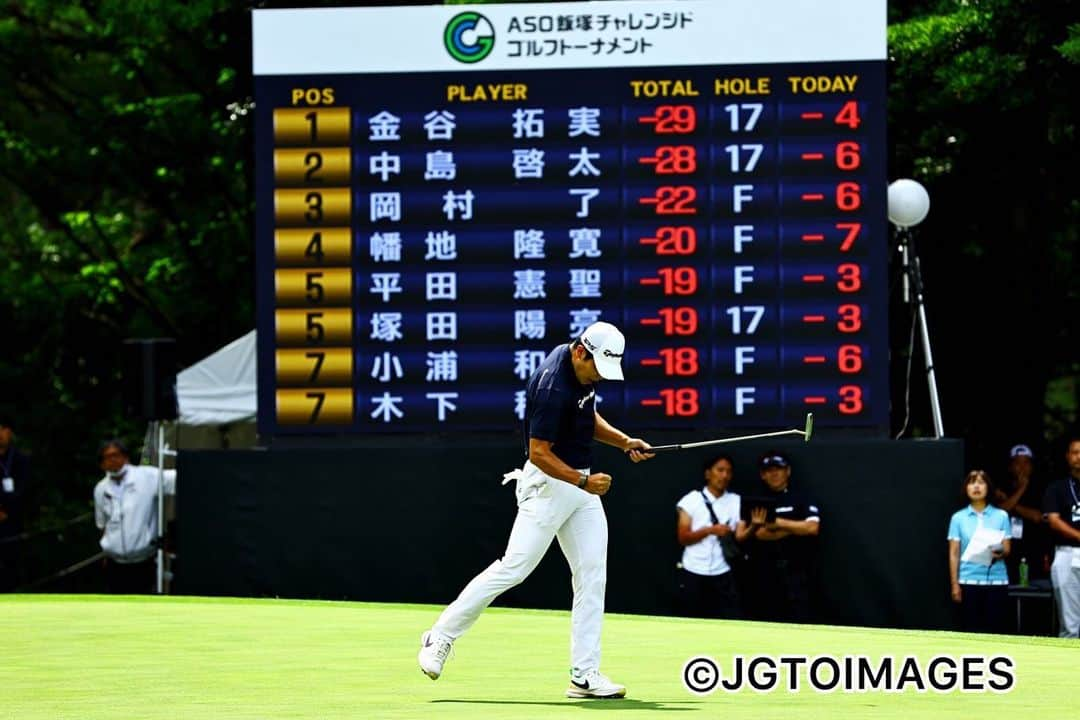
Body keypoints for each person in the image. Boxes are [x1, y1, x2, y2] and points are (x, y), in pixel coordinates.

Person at [417, 322, 654, 698]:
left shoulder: (581, 371)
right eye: (597, 368)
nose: (600, 378)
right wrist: (582, 483)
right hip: (548, 486)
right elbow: (539, 453)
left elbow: (585, 418)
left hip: (579, 487)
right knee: (514, 567)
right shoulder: (551, 387)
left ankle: (584, 674)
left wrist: (624, 442)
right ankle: (440, 636)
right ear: (581, 352)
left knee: (592, 575)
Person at [674, 453, 763, 619]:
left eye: (728, 471)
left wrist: (754, 525)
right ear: (708, 473)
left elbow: (740, 536)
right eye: (720, 470)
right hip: (693, 569)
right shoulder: (691, 500)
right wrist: (710, 530)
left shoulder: (736, 501)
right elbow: (683, 537)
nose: (724, 476)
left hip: (723, 571)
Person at [743, 451, 821, 623]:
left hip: (798, 572)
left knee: (801, 620)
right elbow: (761, 534)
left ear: (788, 471)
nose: (775, 474)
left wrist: (778, 524)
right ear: (763, 475)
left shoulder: (802, 497)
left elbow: (812, 527)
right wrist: (795, 526)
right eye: (769, 470)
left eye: (778, 469)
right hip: (766, 573)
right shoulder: (758, 500)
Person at [93, 439, 176, 594]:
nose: (112, 460)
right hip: (114, 563)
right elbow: (102, 524)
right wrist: (106, 552)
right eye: (107, 457)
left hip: (143, 560)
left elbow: (178, 478)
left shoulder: (146, 477)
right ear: (102, 463)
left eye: (115, 455)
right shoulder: (100, 488)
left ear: (125, 457)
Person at [947, 469, 1012, 633]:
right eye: (972, 482)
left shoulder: (1001, 516)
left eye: (981, 482)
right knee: (971, 629)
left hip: (996, 580)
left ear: (988, 488)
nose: (976, 486)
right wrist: (955, 585)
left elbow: (1007, 548)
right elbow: (954, 553)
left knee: (996, 630)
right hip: (968, 581)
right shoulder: (958, 518)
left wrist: (1000, 551)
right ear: (966, 488)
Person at [994, 444, 1051, 583]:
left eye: (1026, 462)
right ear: (1010, 466)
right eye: (1017, 462)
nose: (1022, 467)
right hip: (1006, 551)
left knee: (1033, 592)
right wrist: (1019, 491)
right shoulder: (1001, 487)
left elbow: (1037, 516)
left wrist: (1011, 499)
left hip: (1033, 550)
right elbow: (1000, 512)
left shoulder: (1041, 488)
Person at [1042, 434, 1080, 638]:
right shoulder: (1057, 488)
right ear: (1067, 457)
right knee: (1070, 624)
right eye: (1075, 452)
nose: (1079, 457)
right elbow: (1054, 520)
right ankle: (1069, 668)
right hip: (1068, 553)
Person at [0, 408, 32, 591]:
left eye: (3, 428)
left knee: (13, 570)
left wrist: (7, 511)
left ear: (10, 432)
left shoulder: (21, 459)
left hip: (14, 523)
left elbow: (25, 491)